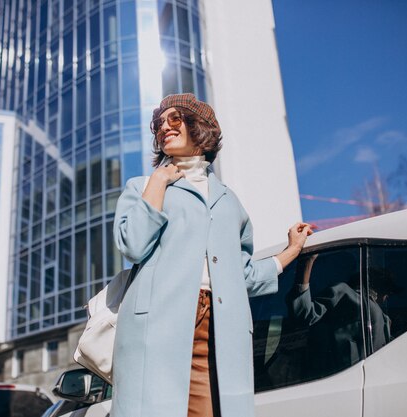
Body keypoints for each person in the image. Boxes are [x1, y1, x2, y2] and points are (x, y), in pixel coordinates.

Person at [111, 93, 312, 417]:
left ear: (199, 127)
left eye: (174, 119)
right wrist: (160, 180)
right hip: (157, 327)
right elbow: (132, 245)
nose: (164, 126)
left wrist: (291, 251)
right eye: (158, 123)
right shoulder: (142, 186)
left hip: (218, 329)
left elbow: (242, 274)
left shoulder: (229, 202)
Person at [286, 253, 399, 379]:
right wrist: (307, 263)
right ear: (378, 285)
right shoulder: (344, 292)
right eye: (388, 290)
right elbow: (304, 314)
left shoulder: (384, 318)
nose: (387, 296)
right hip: (341, 381)